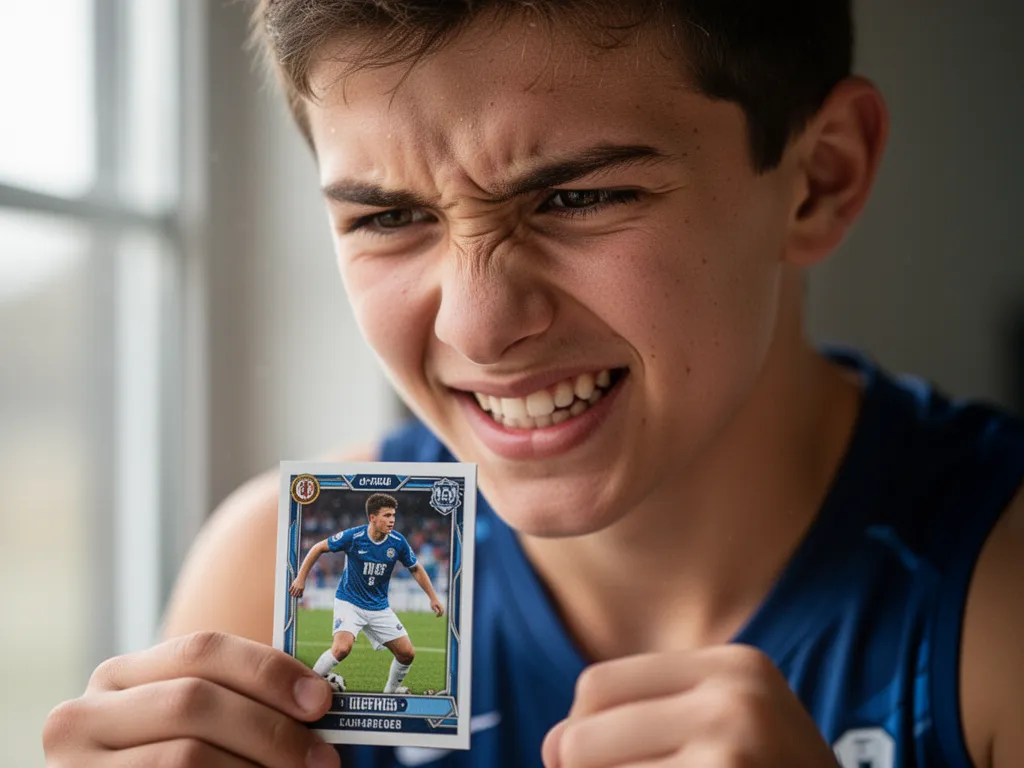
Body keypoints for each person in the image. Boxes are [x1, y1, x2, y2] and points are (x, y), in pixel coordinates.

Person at [43, 2, 1024, 767]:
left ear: (820, 180)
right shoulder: (261, 577)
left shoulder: (996, 599)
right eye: (388, 218)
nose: (477, 326)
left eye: (578, 197)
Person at [289, 493, 445, 695]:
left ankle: (390, 694)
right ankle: (306, 688)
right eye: (386, 515)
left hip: (379, 607)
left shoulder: (397, 542)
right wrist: (301, 578)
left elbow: (415, 568)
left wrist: (433, 597)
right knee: (341, 649)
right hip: (350, 602)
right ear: (372, 518)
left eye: (393, 515)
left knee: (407, 654)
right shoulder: (354, 537)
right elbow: (318, 548)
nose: (392, 520)